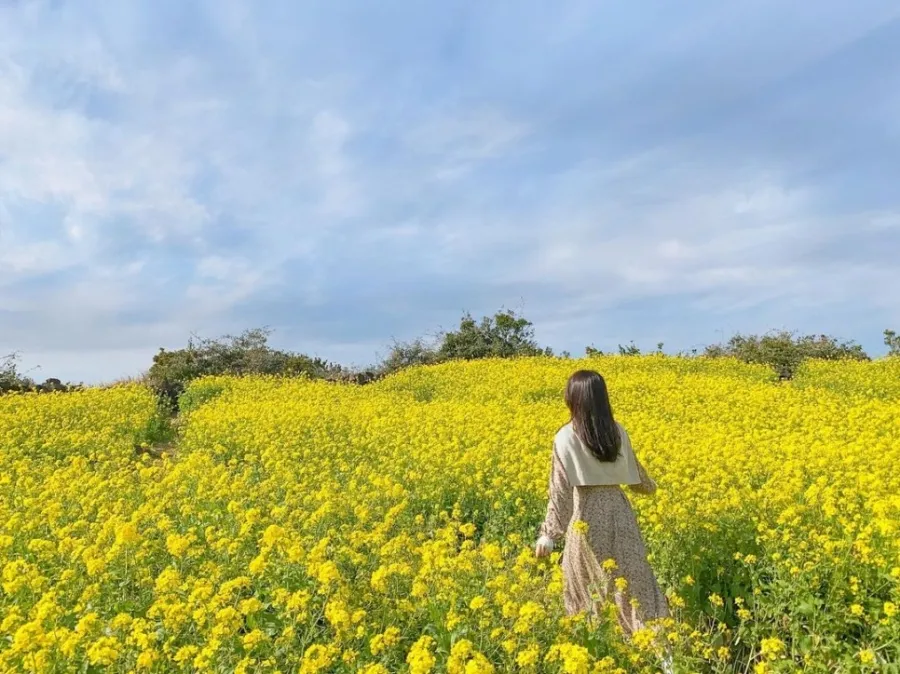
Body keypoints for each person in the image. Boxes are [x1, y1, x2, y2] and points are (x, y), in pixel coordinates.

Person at [535, 370, 670, 641]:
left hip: (586, 518)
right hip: (620, 514)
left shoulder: (565, 437)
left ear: (572, 398)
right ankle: (656, 645)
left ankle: (599, 649)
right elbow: (639, 481)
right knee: (634, 584)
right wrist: (653, 486)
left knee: (587, 588)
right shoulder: (617, 431)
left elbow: (560, 493)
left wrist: (549, 535)